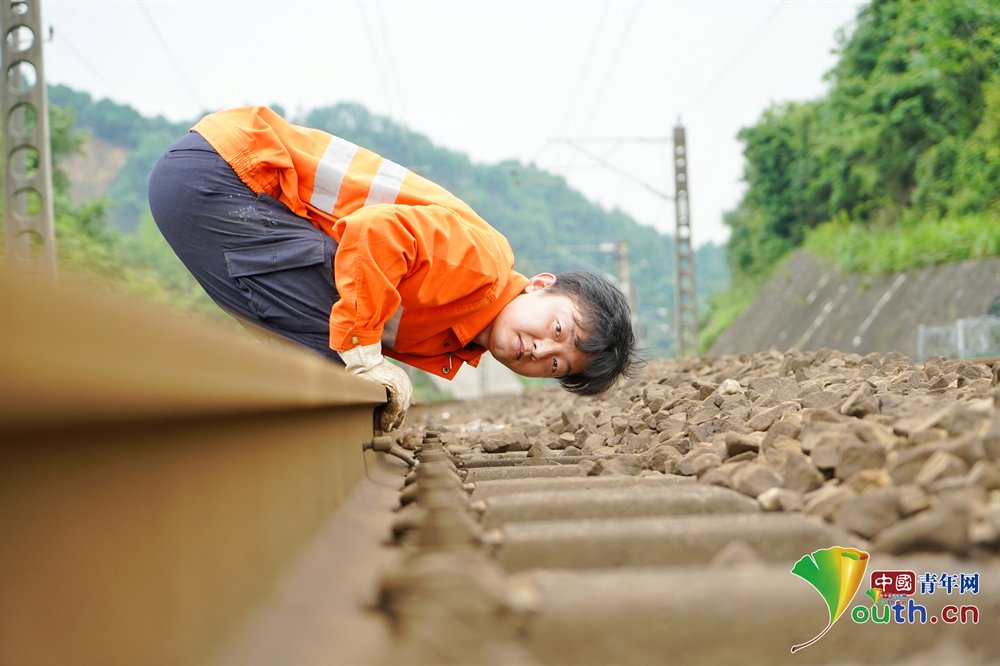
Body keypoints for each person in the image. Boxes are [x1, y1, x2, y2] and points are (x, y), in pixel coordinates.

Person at [148, 106, 639, 430]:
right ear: (540, 285)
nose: (539, 349)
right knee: (339, 346)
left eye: (555, 363)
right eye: (557, 327)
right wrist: (363, 354)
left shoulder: (457, 332)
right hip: (233, 168)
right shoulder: (481, 266)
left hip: (214, 177)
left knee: (324, 350)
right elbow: (375, 232)